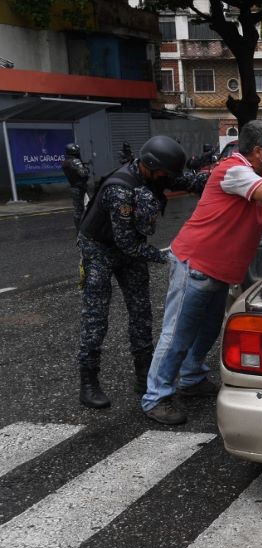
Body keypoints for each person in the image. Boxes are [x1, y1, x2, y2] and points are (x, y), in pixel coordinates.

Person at [142, 120, 262, 425]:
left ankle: (191, 379)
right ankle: (156, 397)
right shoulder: (234, 170)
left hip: (219, 269)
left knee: (207, 330)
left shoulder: (258, 170)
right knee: (177, 332)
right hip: (198, 263)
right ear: (257, 150)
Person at [76, 135, 187, 409]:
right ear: (150, 165)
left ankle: (144, 376)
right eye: (164, 172)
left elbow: (187, 180)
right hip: (99, 248)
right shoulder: (120, 191)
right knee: (96, 317)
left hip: (130, 248)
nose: (166, 177)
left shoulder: (155, 175)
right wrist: (165, 257)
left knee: (141, 313)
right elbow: (126, 242)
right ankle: (88, 383)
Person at [61, 143, 90, 230]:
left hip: (74, 187)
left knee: (79, 208)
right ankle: (81, 228)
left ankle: (81, 227)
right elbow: (83, 173)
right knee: (81, 209)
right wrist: (86, 168)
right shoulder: (75, 161)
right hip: (79, 187)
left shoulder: (66, 162)